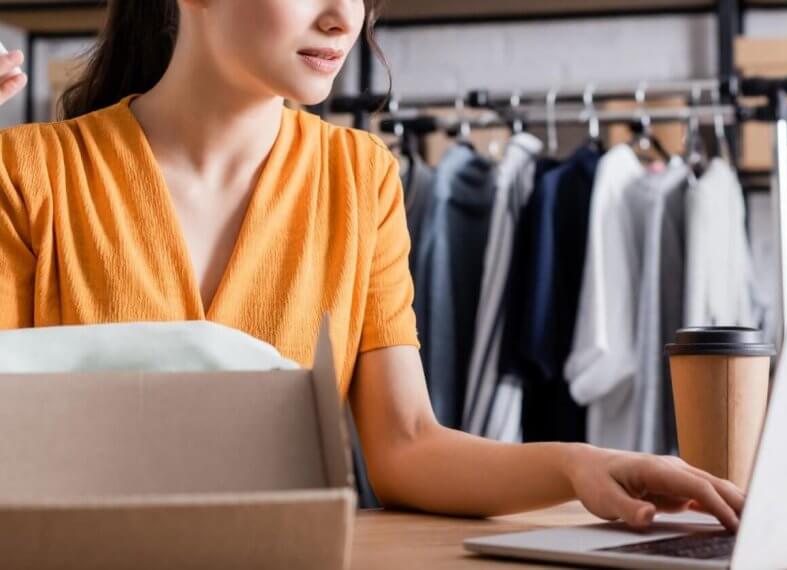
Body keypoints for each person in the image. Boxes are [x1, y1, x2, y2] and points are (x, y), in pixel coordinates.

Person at [0, 0, 743, 532]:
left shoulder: (361, 177)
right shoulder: (27, 174)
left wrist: (581, 466)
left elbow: (406, 443)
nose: (343, 18)